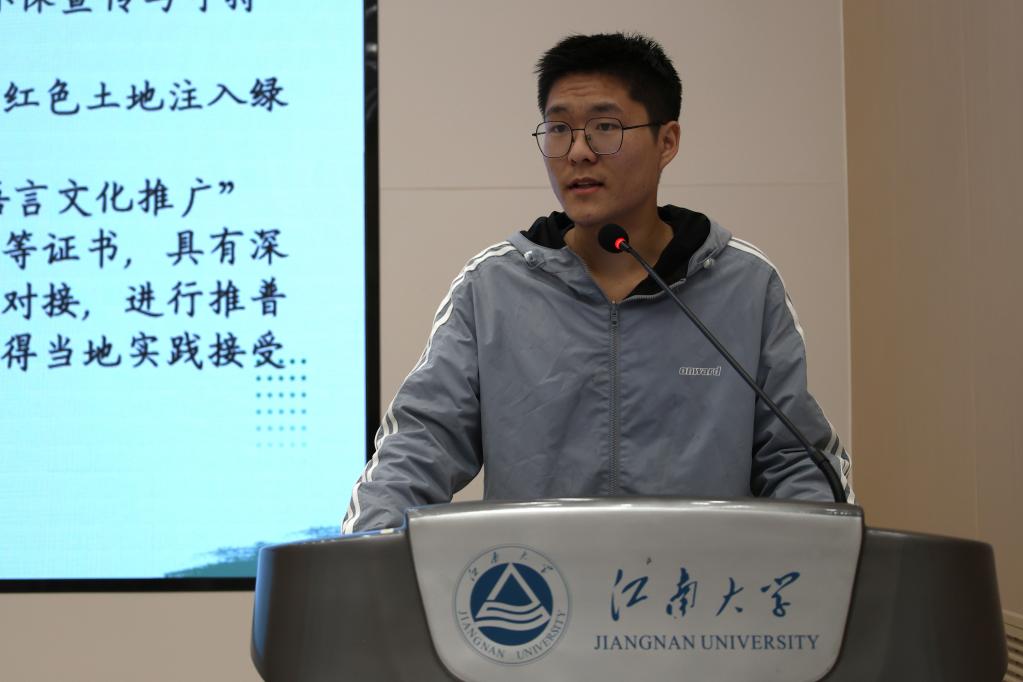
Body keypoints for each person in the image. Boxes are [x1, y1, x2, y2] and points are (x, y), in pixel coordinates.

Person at [342, 32, 853, 533]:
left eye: (605, 127)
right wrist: (366, 556)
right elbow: (416, 448)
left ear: (667, 141)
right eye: (559, 129)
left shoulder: (745, 286)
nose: (578, 152)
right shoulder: (491, 289)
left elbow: (799, 463)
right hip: (537, 586)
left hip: (698, 586)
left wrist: (825, 561)